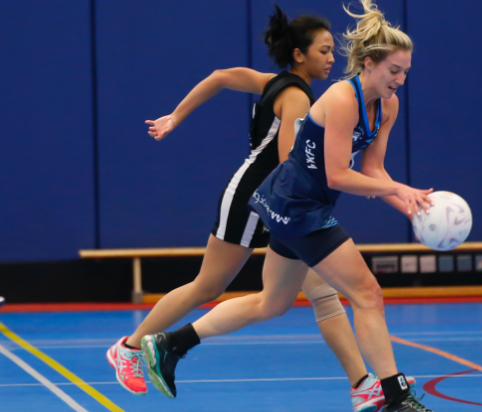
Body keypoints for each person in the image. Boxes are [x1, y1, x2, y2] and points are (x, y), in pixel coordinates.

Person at [141, 1, 435, 411]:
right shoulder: (342, 98)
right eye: (394, 71)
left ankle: (171, 344)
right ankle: (395, 396)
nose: (400, 80)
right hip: (296, 204)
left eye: (405, 72)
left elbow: (373, 170)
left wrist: (413, 210)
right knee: (367, 292)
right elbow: (337, 174)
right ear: (368, 63)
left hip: (302, 204)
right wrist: (400, 189)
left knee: (272, 303)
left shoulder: (388, 106)